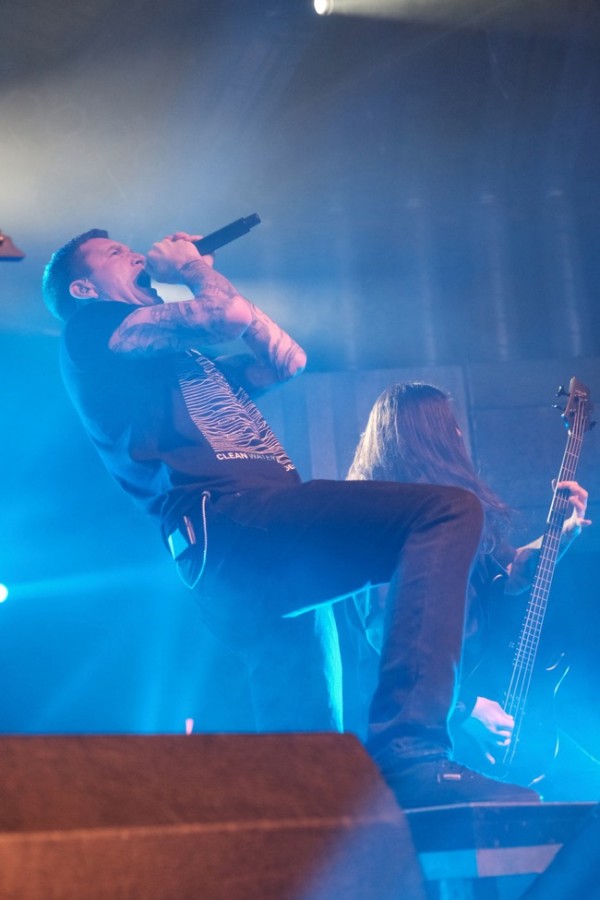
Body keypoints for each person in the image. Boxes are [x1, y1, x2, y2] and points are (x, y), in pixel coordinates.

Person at [43, 227, 538, 808]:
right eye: (113, 254)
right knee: (446, 511)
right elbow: (226, 315)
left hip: (264, 547)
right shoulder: (90, 329)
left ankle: (307, 835)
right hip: (230, 523)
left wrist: (203, 279)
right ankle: (411, 750)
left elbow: (287, 361)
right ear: (83, 288)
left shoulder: (182, 358)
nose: (132, 253)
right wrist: (193, 271)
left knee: (312, 769)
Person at [346, 381, 590, 770]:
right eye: (450, 425)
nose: (459, 434)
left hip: (480, 691)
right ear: (428, 437)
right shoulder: (382, 520)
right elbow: (386, 638)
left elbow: (509, 570)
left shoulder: (454, 507)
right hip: (436, 721)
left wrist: (561, 534)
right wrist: (467, 708)